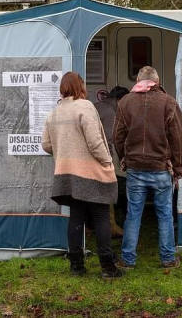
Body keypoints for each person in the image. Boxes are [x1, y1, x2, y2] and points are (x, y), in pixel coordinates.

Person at [42, 72, 123, 278]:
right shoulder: (85, 107)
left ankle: (76, 266)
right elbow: (95, 142)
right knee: (101, 216)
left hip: (66, 174)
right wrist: (107, 162)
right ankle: (107, 267)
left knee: (76, 218)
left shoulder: (55, 112)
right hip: (91, 172)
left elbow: (46, 145)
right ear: (80, 86)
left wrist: (65, 152)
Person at [113, 66, 182, 269]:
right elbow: (178, 139)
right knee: (164, 215)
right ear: (158, 81)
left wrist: (124, 158)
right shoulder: (169, 103)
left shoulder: (125, 102)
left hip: (135, 169)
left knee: (133, 214)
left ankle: (127, 260)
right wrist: (179, 169)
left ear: (138, 80)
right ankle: (168, 259)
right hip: (161, 167)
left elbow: (117, 137)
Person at [94, 86, 130, 238]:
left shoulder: (97, 106)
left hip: (89, 158)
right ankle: (113, 227)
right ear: (119, 100)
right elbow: (111, 139)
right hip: (100, 159)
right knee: (114, 190)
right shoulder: (110, 112)